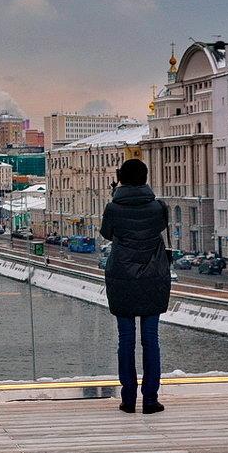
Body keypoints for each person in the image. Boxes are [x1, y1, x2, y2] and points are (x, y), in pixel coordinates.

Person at [100, 159, 170, 415]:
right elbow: (160, 229)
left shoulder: (113, 207)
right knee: (151, 340)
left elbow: (107, 234)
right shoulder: (158, 207)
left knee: (125, 340)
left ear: (121, 178)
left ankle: (128, 399)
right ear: (145, 177)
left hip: (122, 278)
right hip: (153, 276)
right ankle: (150, 399)